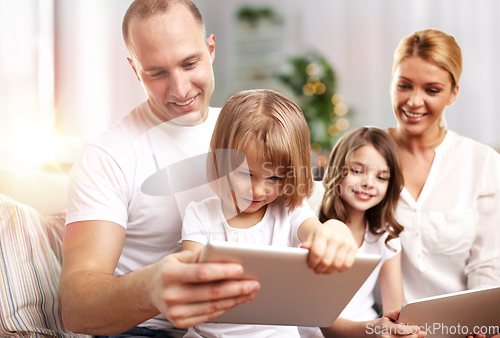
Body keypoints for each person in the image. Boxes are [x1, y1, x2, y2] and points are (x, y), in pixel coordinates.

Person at [60, 1, 357, 337]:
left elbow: (300, 220)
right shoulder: (108, 155)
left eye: (190, 63)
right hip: (151, 329)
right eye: (157, 72)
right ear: (134, 68)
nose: (181, 89)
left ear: (210, 48)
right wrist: (149, 288)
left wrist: (332, 231)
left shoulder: (245, 129)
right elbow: (75, 307)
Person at [179, 89, 358, 338]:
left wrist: (335, 229)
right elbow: (192, 278)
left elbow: (318, 234)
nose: (257, 190)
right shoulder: (200, 215)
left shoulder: (290, 212)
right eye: (244, 173)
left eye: (274, 177)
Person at [387, 29, 500, 338]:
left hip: (462, 331)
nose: (414, 101)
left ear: (453, 93)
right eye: (404, 85)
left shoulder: (483, 162)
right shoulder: (365, 157)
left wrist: (486, 325)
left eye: (432, 90)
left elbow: (486, 264)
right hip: (384, 329)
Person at [317, 127, 424, 338]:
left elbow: (395, 312)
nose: (368, 183)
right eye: (357, 171)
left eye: (381, 177)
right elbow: (322, 323)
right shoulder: (310, 228)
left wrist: (402, 331)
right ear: (337, 170)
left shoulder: (386, 237)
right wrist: (374, 330)